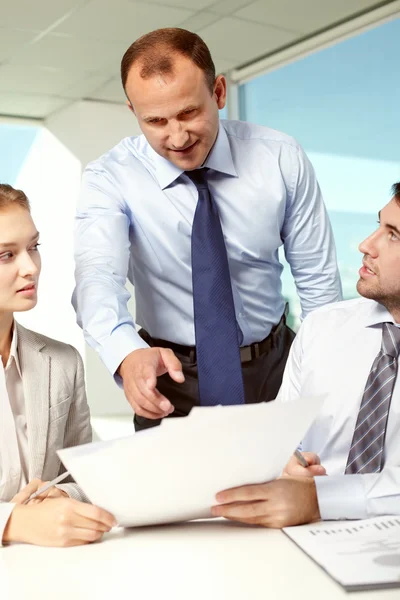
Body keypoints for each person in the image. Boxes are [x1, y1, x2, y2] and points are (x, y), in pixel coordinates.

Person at [73, 28, 342, 432]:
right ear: (133, 112)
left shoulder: (280, 158)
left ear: (218, 93)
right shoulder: (109, 178)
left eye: (188, 113)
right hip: (173, 380)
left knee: (289, 492)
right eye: (156, 121)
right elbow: (97, 277)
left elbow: (318, 281)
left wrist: (327, 371)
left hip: (277, 369)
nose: (177, 137)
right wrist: (125, 354)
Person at [212, 182, 400, 527]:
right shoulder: (322, 329)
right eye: (379, 226)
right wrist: (286, 463)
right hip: (308, 535)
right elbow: (282, 438)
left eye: (394, 236)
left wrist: (318, 500)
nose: (366, 246)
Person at [0, 184, 116, 547]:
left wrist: (64, 496)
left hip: (58, 573)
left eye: (33, 248)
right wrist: (13, 523)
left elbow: (87, 476)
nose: (30, 268)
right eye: (6, 255)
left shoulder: (63, 362)